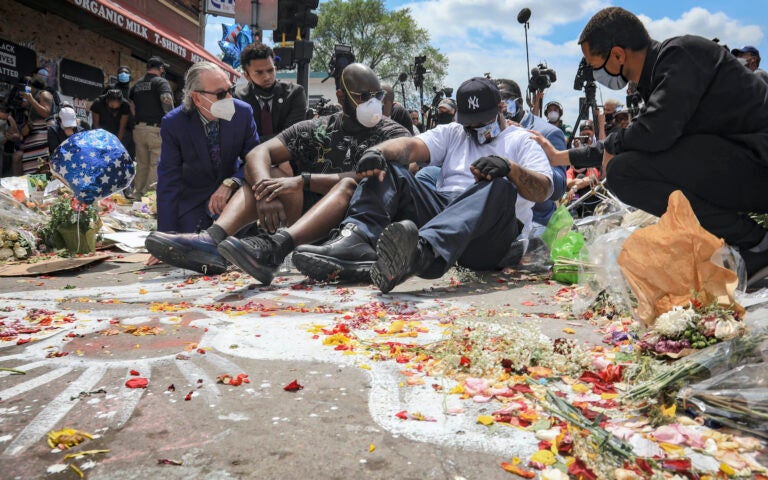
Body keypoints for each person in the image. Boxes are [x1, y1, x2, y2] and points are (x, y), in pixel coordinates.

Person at [145, 63, 411, 283]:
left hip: (355, 227)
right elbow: (257, 153)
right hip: (306, 221)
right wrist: (264, 191)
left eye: (378, 97)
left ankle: (273, 248)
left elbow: (377, 176)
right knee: (268, 175)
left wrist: (302, 181)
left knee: (339, 186)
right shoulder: (316, 128)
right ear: (341, 97)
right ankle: (212, 241)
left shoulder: (393, 134)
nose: (373, 104)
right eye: (364, 97)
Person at [291, 77, 553, 292]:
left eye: (482, 120)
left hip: (488, 237)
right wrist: (378, 152)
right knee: (389, 168)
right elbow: (411, 146)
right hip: (446, 213)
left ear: (500, 108)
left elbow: (544, 190)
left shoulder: (521, 140)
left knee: (500, 186)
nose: (474, 127)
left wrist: (511, 169)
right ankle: (357, 240)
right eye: (469, 121)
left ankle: (419, 254)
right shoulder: (454, 132)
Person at [577, 6, 768, 285]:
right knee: (628, 163)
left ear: (618, 54)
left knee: (625, 171)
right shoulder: (657, 78)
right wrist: (561, 156)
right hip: (744, 167)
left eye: (596, 67)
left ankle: (755, 244)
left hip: (758, 166)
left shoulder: (681, 54)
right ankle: (746, 243)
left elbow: (655, 132)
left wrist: (614, 144)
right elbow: (642, 133)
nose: (597, 75)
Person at [152, 62, 258, 235]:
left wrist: (231, 183)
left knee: (235, 247)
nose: (229, 98)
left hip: (233, 198)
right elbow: (169, 178)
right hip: (194, 201)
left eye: (230, 90)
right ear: (197, 98)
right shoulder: (174, 123)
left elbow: (254, 159)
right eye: (221, 94)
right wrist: (165, 235)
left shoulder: (243, 113)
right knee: (190, 249)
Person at [496, 78, 568, 227]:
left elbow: (559, 189)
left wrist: (529, 146)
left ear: (520, 102)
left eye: (505, 101)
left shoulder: (548, 133)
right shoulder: (491, 130)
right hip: (498, 221)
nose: (501, 107)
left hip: (535, 225)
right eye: (496, 103)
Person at [234, 43, 306, 144]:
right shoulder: (238, 98)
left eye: (270, 70)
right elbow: (239, 139)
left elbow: (292, 136)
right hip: (249, 158)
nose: (267, 77)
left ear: (275, 69)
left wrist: (252, 141)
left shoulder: (295, 93)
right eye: (259, 72)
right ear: (247, 76)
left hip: (288, 157)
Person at [130, 56, 174, 198]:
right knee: (155, 164)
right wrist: (171, 119)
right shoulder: (161, 82)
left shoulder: (137, 84)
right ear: (160, 68)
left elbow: (132, 105)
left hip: (139, 129)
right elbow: (166, 101)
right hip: (156, 129)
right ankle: (149, 197)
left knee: (142, 163)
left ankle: (137, 193)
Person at [18, 74, 54, 175]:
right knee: (33, 179)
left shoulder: (44, 94)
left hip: (44, 142)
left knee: (43, 172)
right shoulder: (31, 99)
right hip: (33, 145)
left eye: (29, 86)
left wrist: (31, 100)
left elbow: (46, 112)